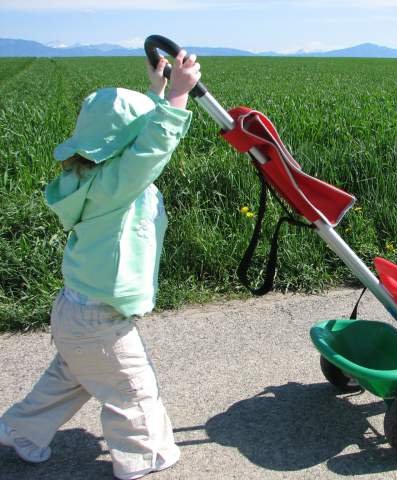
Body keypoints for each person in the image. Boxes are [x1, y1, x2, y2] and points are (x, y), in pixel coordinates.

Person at [0, 50, 200, 480]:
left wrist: (158, 90)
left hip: (74, 311)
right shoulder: (119, 185)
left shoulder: (91, 178)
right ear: (123, 148)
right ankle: (145, 459)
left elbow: (131, 141)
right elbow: (151, 149)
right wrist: (180, 96)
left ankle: (20, 429)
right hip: (100, 320)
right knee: (133, 391)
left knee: (70, 378)